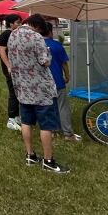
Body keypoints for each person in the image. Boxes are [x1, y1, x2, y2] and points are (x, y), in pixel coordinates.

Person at [7, 14, 69, 174]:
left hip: (22, 87)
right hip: (41, 89)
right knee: (46, 125)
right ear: (37, 26)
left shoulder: (12, 34)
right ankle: (48, 161)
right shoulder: (36, 37)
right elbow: (45, 61)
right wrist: (47, 53)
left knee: (26, 122)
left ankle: (30, 155)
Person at [44, 22, 81, 142]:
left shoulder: (36, 45)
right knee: (62, 107)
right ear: (50, 32)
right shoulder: (57, 45)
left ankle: (52, 131)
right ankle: (68, 134)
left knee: (49, 107)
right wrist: (67, 75)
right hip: (57, 81)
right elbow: (64, 63)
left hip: (43, 83)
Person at [0, 14, 23, 131]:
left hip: (16, 68)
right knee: (13, 93)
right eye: (17, 22)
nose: (19, 25)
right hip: (10, 69)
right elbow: (1, 51)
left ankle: (17, 117)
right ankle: (11, 120)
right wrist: (8, 66)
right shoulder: (6, 34)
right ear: (11, 23)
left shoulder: (14, 34)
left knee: (17, 93)